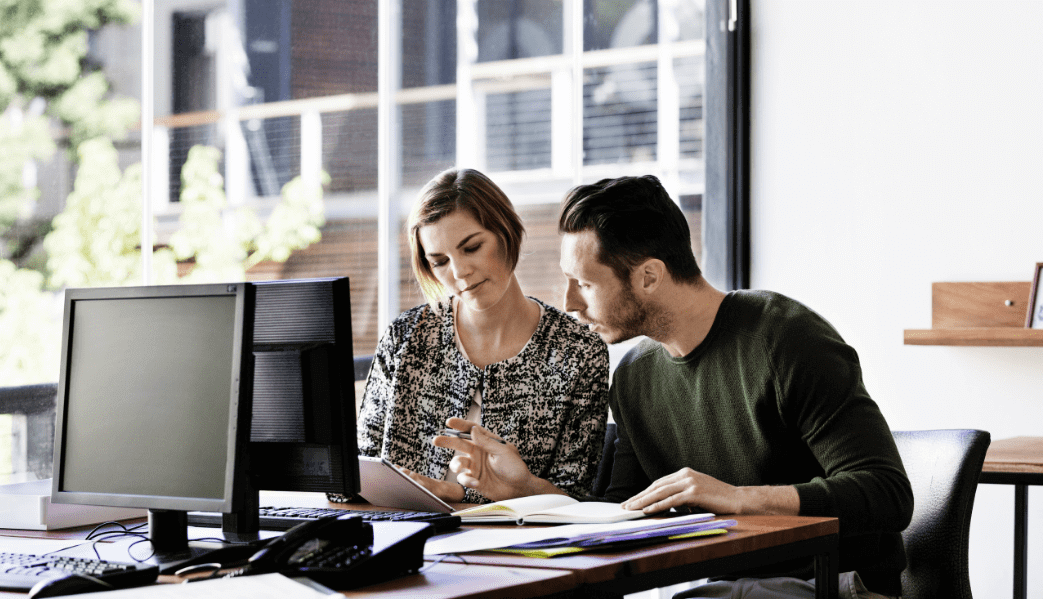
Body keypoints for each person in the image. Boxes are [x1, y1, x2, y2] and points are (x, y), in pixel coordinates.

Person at [436, 175, 913, 598]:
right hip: (725, 587)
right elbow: (621, 513)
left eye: (583, 283)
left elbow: (888, 494)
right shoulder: (635, 377)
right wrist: (524, 488)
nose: (569, 303)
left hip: (838, 584)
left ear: (648, 276)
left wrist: (740, 497)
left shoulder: (787, 339)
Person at [332, 168, 610, 505]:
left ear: (506, 230)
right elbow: (352, 476)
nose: (459, 272)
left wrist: (464, 494)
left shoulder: (578, 351)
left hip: (516, 549)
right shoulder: (405, 337)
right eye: (439, 261)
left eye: (472, 247)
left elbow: (576, 500)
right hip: (406, 539)